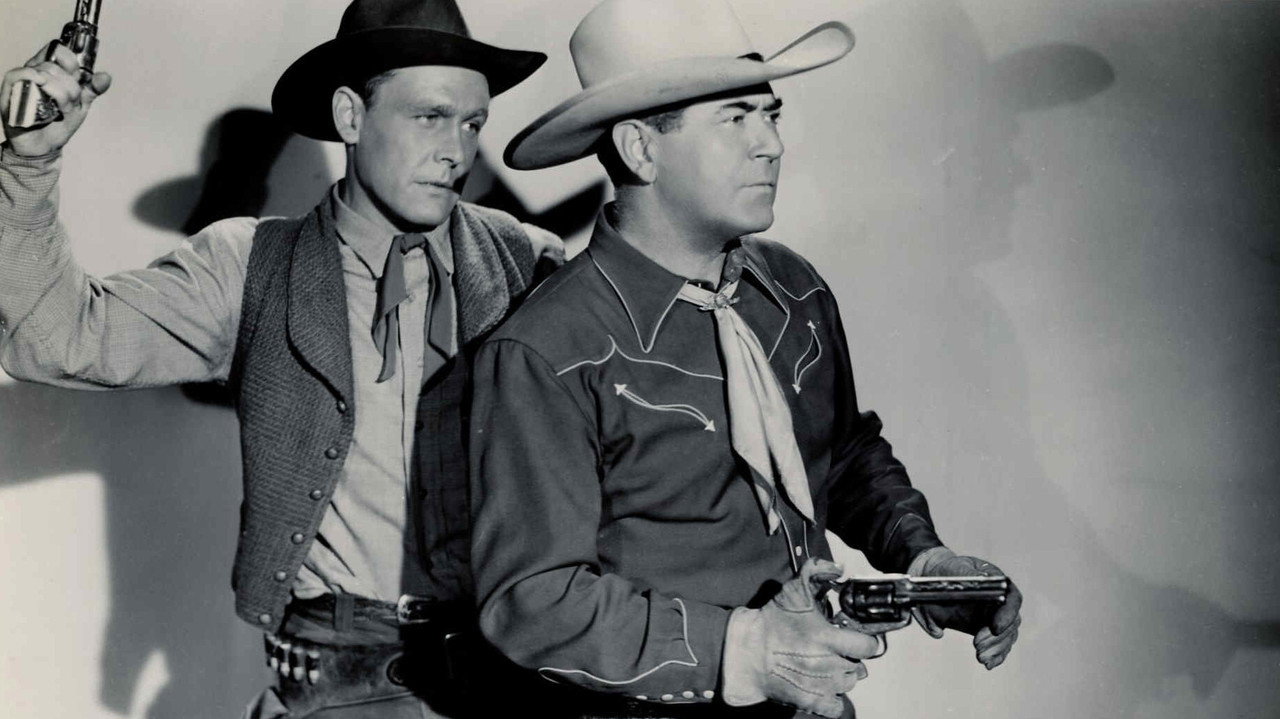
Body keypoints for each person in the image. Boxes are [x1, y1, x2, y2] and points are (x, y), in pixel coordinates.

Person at [0, 0, 562, 716]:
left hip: (505, 668)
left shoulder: (524, 260)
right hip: (338, 681)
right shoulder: (249, 267)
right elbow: (55, 340)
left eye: (473, 123)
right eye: (430, 117)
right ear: (351, 116)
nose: (457, 150)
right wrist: (29, 165)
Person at [467, 1, 1024, 717]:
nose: (771, 144)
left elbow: (841, 454)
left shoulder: (793, 289)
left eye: (772, 115)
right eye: (735, 119)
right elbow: (534, 600)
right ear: (639, 149)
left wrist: (923, 560)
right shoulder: (548, 350)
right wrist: (747, 651)